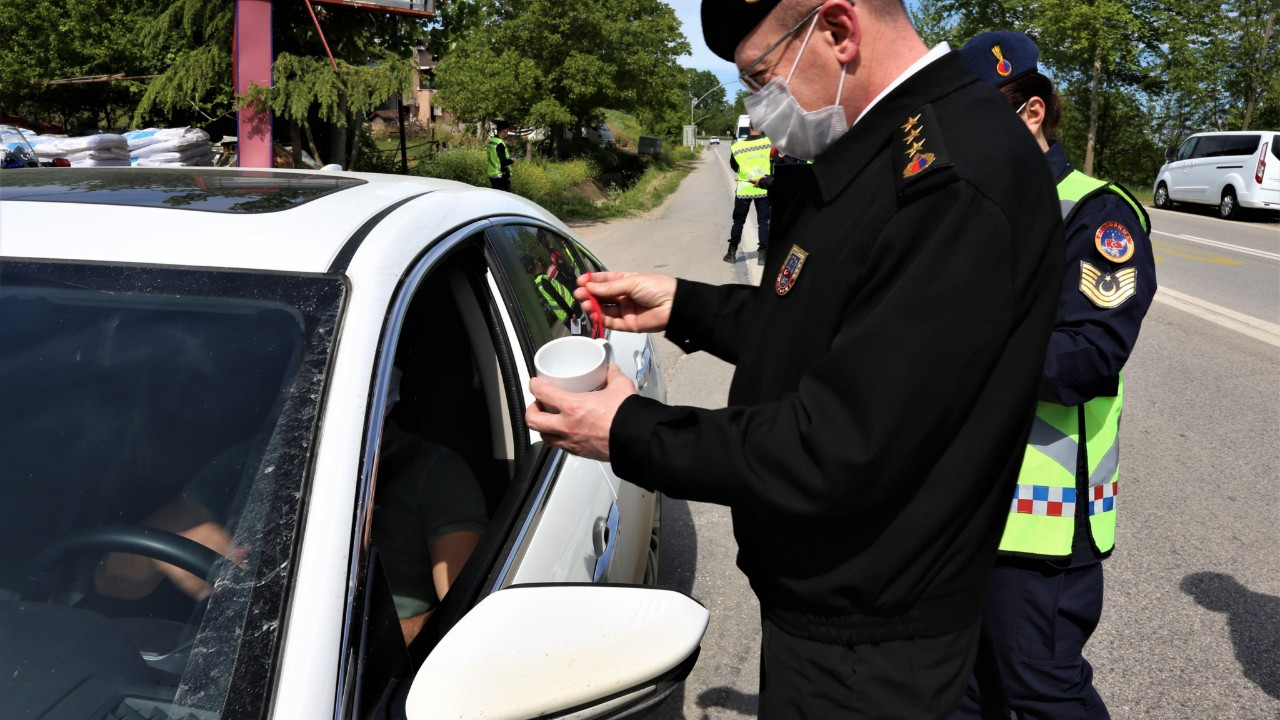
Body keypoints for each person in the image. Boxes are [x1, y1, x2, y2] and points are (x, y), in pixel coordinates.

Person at [524, 0, 1066, 716]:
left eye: (761, 75)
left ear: (837, 32)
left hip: (868, 651)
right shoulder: (875, 152)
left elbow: (838, 447)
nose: (757, 103)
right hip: (834, 622)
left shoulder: (948, 182)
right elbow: (826, 327)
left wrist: (627, 429)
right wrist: (686, 305)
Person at [949, 31, 1156, 720]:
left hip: (1043, 522)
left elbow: (1090, 354)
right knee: (964, 692)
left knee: (1039, 692)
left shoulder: (1095, 213)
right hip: (963, 507)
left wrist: (950, 357)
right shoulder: (968, 212)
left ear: (1031, 114)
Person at [95, 369, 487, 646]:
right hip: (233, 664)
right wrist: (176, 543)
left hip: (365, 678)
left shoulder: (435, 472)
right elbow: (112, 583)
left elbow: (465, 613)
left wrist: (370, 646)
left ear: (382, 398)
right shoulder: (248, 462)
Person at [726, 124, 773, 265]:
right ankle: (763, 255)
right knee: (764, 222)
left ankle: (732, 253)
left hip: (744, 189)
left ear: (748, 126)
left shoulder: (737, 147)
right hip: (763, 189)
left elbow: (734, 166)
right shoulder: (768, 143)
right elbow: (774, 162)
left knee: (738, 221)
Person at [486, 120, 514, 192]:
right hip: (500, 175)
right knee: (507, 199)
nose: (507, 131)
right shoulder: (499, 143)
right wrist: (512, 160)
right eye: (507, 129)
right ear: (504, 130)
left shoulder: (492, 141)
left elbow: (495, 157)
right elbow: (503, 162)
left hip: (492, 173)